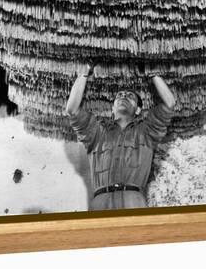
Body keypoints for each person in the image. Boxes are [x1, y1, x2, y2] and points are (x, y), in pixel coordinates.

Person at [66, 62, 175, 211]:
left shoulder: (147, 132)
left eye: (130, 96)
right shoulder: (97, 132)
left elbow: (169, 104)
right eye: (119, 95)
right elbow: (72, 110)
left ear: (138, 110)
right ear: (112, 108)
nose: (123, 96)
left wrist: (153, 74)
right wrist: (84, 72)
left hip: (133, 199)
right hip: (100, 199)